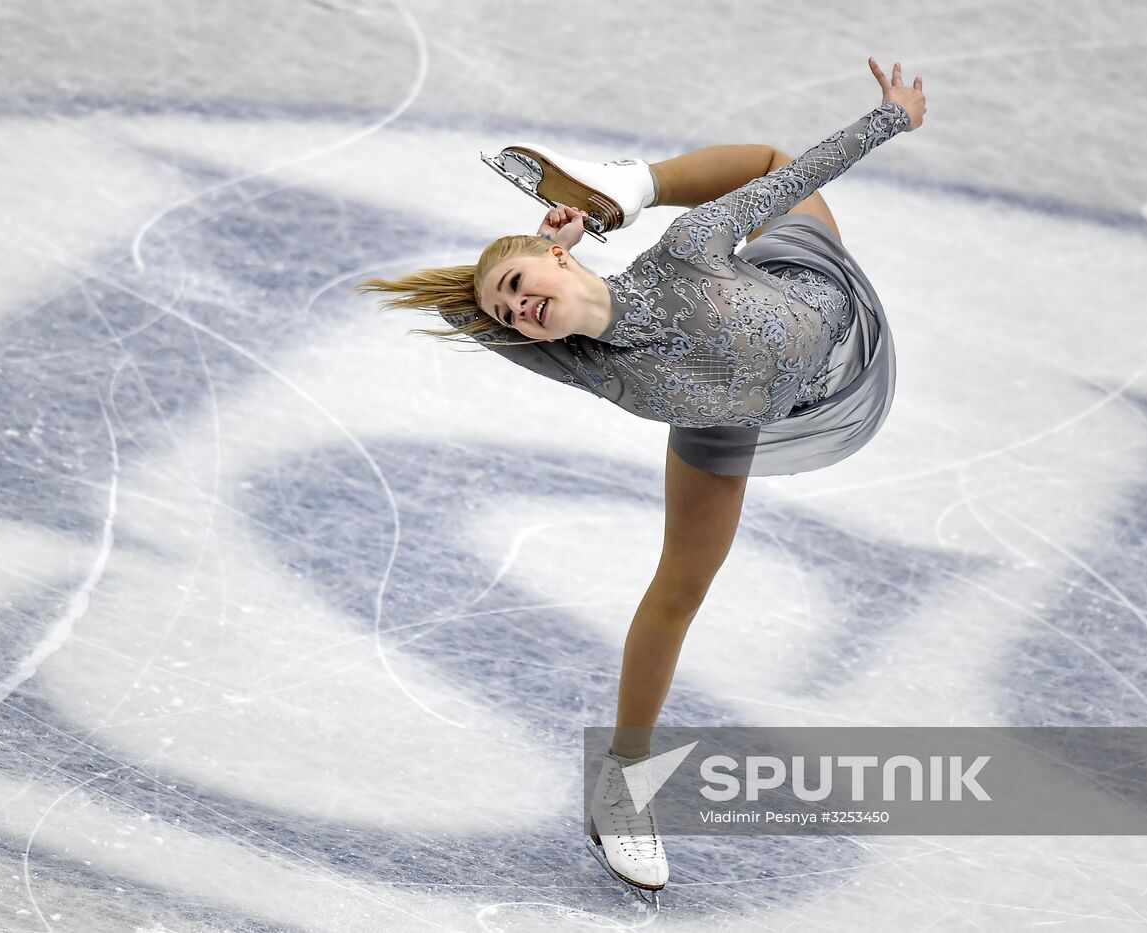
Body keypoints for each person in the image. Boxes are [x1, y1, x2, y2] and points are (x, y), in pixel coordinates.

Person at [355, 57, 926, 899]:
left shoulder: (689, 251)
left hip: (812, 286)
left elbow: (795, 170)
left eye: (518, 284)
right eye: (509, 310)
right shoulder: (579, 363)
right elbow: (456, 309)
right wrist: (525, 266)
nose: (517, 307)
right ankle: (621, 787)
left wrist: (892, 118)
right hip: (724, 415)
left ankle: (631, 184)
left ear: (556, 255)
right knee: (679, 590)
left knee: (768, 163)